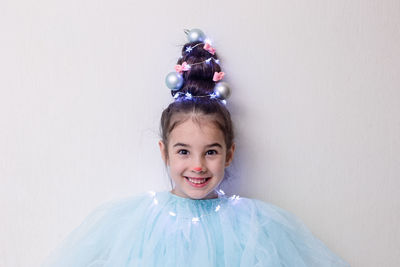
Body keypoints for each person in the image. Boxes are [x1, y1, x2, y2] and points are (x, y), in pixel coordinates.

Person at [42, 29, 349, 267]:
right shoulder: (138, 224)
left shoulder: (254, 227)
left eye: (211, 152)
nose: (198, 166)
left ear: (229, 154)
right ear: (164, 152)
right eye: (184, 151)